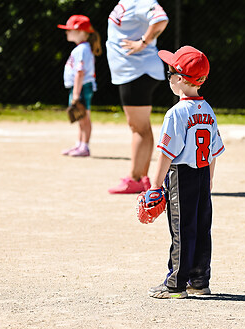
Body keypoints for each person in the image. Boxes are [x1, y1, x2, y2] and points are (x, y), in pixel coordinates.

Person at [145, 46, 225, 299]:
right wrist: (209, 181)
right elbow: (213, 153)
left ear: (179, 80)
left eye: (170, 73)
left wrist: (155, 186)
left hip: (181, 176)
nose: (168, 77)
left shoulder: (176, 113)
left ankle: (176, 284)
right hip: (202, 175)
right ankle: (200, 281)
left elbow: (166, 154)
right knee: (202, 228)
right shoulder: (208, 111)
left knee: (182, 229)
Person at [106, 0, 169, 193]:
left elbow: (161, 19)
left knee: (138, 128)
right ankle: (141, 178)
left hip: (136, 72)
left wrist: (143, 42)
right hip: (133, 72)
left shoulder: (141, 1)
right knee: (142, 127)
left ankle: (135, 179)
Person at [58, 15, 102, 157]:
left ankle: (85, 146)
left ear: (81, 32)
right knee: (80, 117)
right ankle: (79, 144)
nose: (67, 32)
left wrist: (76, 95)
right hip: (80, 87)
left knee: (84, 117)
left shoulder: (82, 49)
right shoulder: (81, 48)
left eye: (70, 30)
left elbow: (80, 73)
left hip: (82, 87)